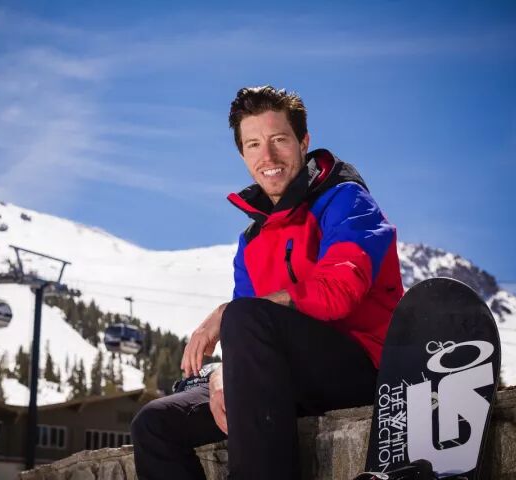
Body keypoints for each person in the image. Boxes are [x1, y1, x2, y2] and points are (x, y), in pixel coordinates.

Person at [131, 86, 404, 479]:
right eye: (254, 144)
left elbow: (339, 291)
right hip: (284, 379)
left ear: (303, 142)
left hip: (363, 369)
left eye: (279, 140)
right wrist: (223, 377)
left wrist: (226, 313)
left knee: (242, 315)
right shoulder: (252, 242)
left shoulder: (347, 200)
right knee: (155, 424)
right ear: (242, 154)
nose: (268, 157)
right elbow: (246, 339)